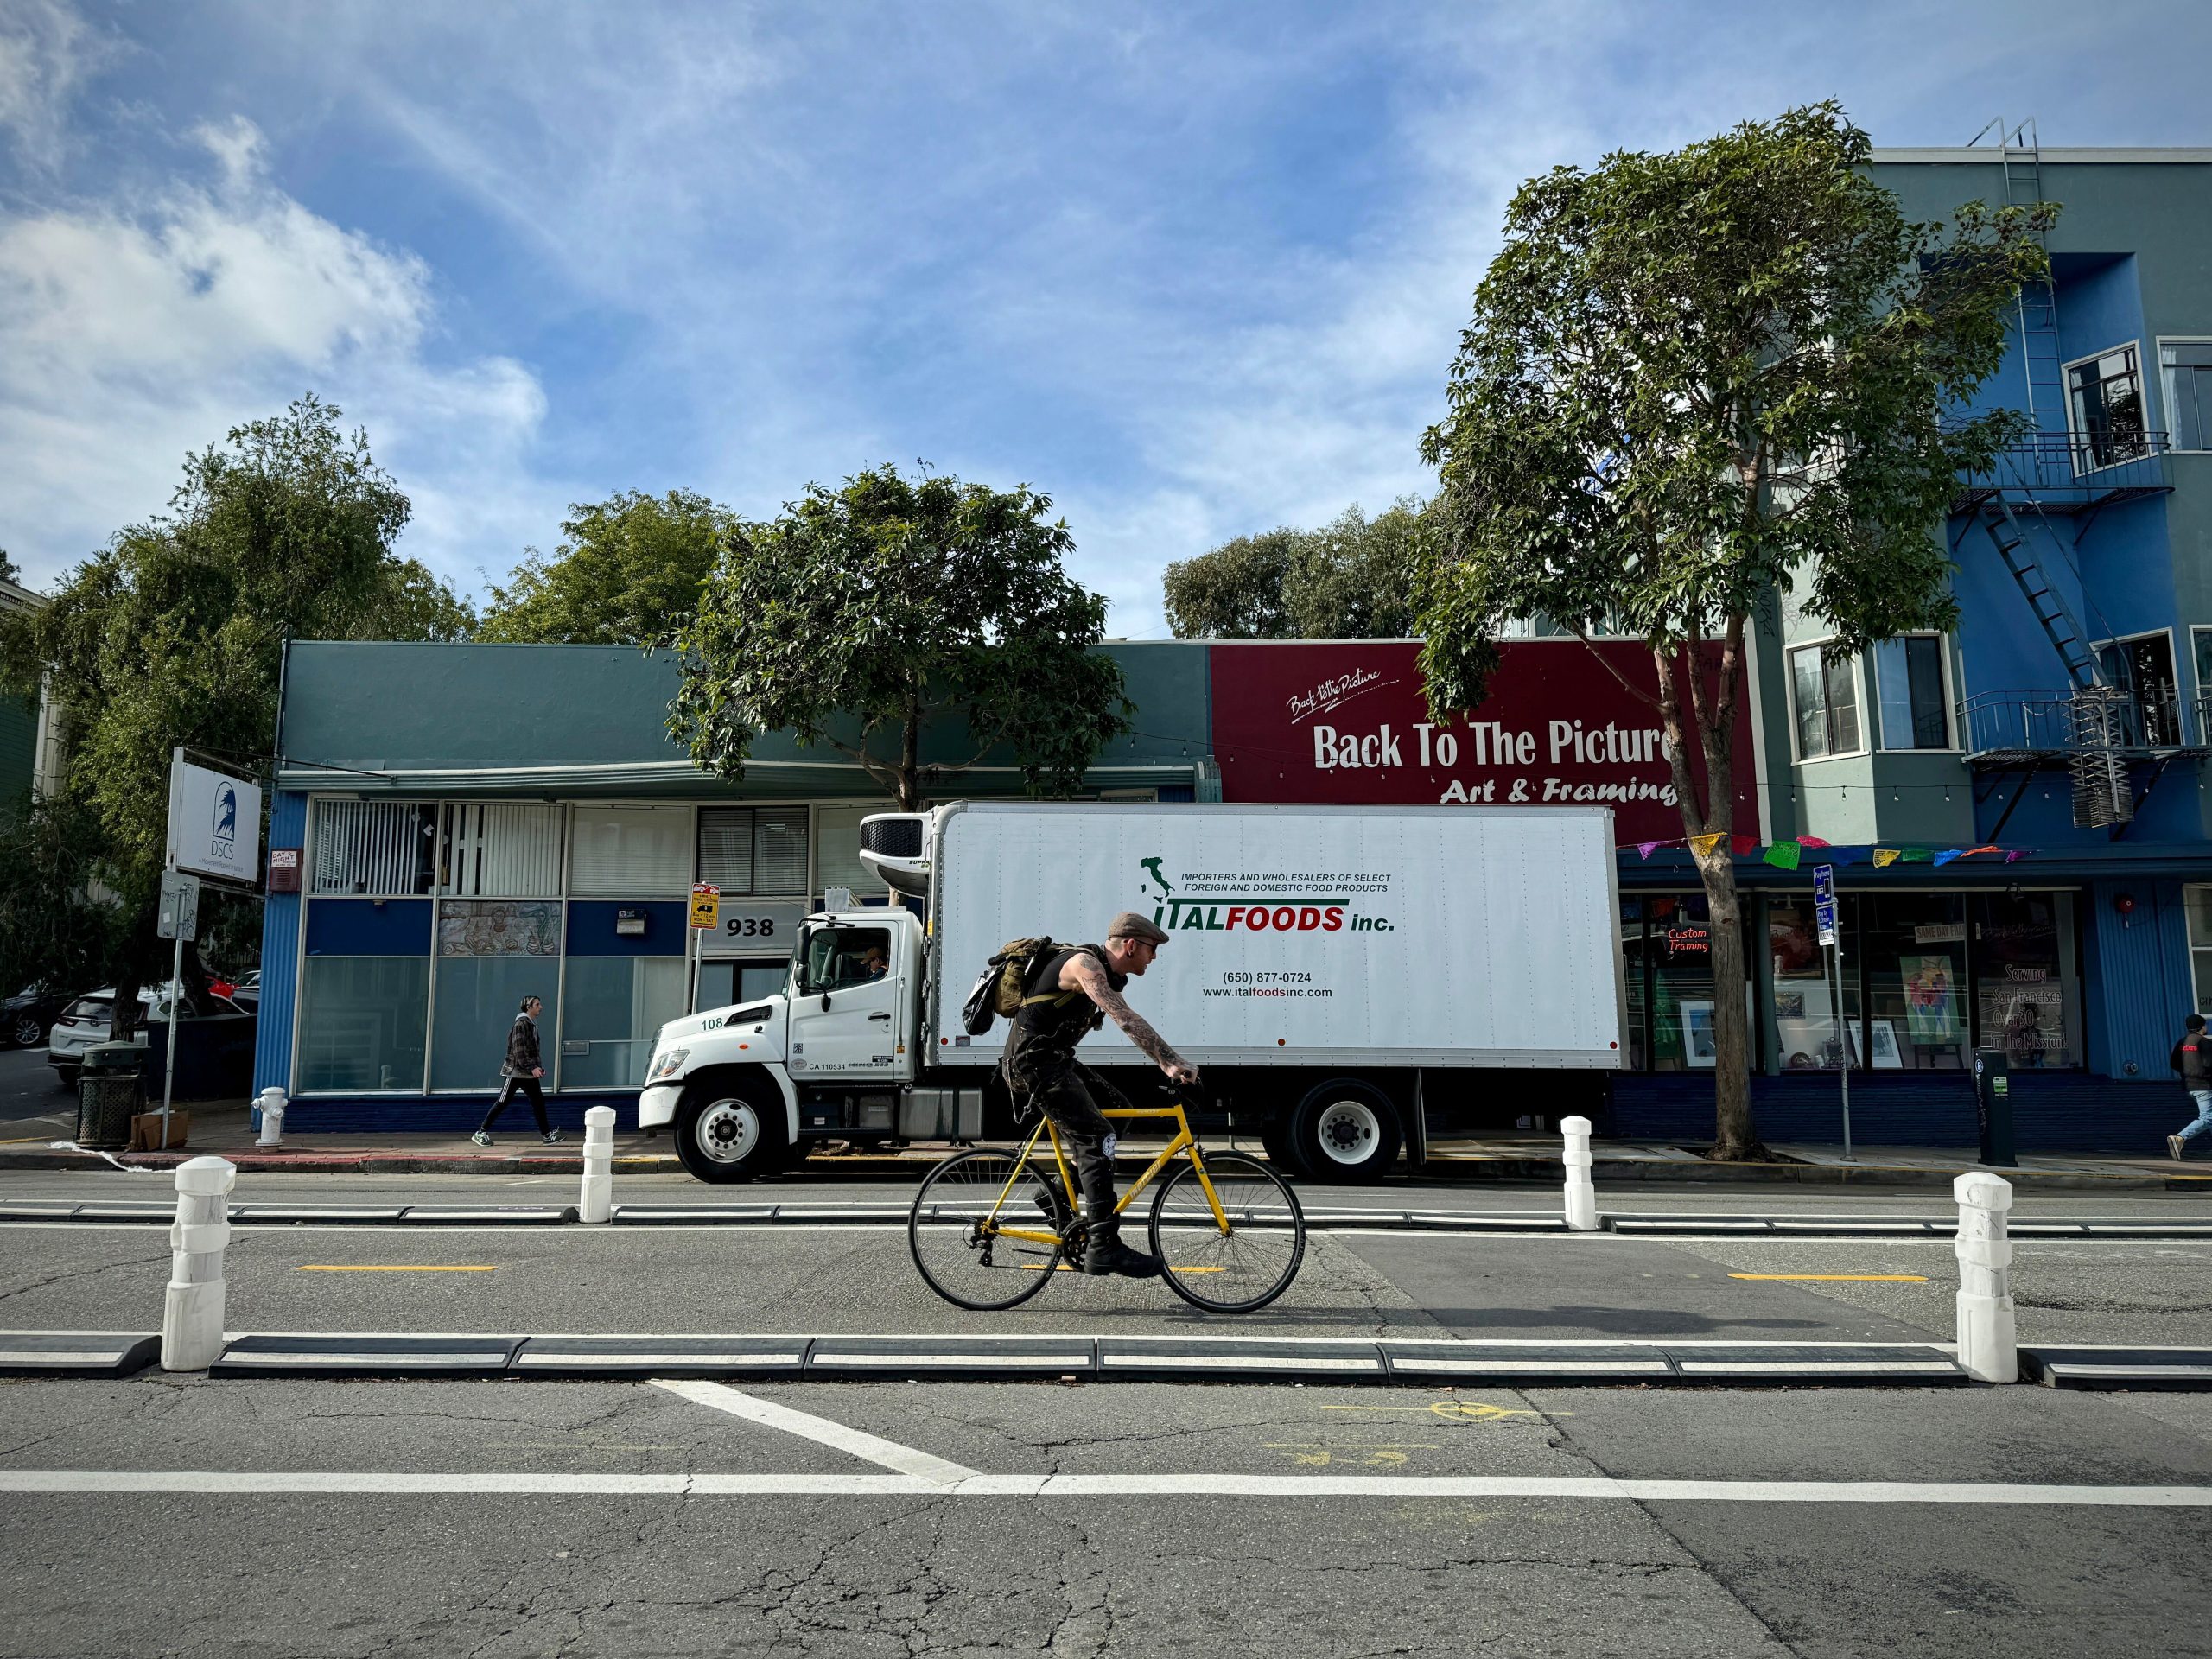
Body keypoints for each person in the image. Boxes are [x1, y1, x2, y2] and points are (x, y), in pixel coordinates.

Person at [1000, 911, 1196, 1278]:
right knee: (1096, 1136)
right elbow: (1123, 1018)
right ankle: (1103, 1246)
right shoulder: (1084, 964)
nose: (1154, 958)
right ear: (1132, 945)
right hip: (1033, 1064)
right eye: (1152, 950)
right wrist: (1170, 1061)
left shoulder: (1104, 970)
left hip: (1054, 1060)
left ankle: (1054, 1195)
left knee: (1119, 1112)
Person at [471, 995, 560, 1147]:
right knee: (502, 1102)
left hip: (528, 1073)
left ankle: (547, 1135)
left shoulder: (532, 1025)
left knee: (538, 1102)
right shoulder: (521, 1024)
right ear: (528, 1007)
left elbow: (533, 1051)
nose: (541, 1007)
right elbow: (519, 1051)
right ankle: (481, 1132)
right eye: (537, 1004)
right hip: (515, 1073)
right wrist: (532, 1067)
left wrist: (537, 1067)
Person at [2169, 1013, 2212, 1161]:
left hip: (2189, 1086)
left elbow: (2174, 1063)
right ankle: (2180, 1138)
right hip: (2204, 1086)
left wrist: (2187, 1074)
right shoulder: (2204, 1042)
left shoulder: (2182, 1042)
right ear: (2202, 1027)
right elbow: (2209, 1064)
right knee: (2208, 1117)